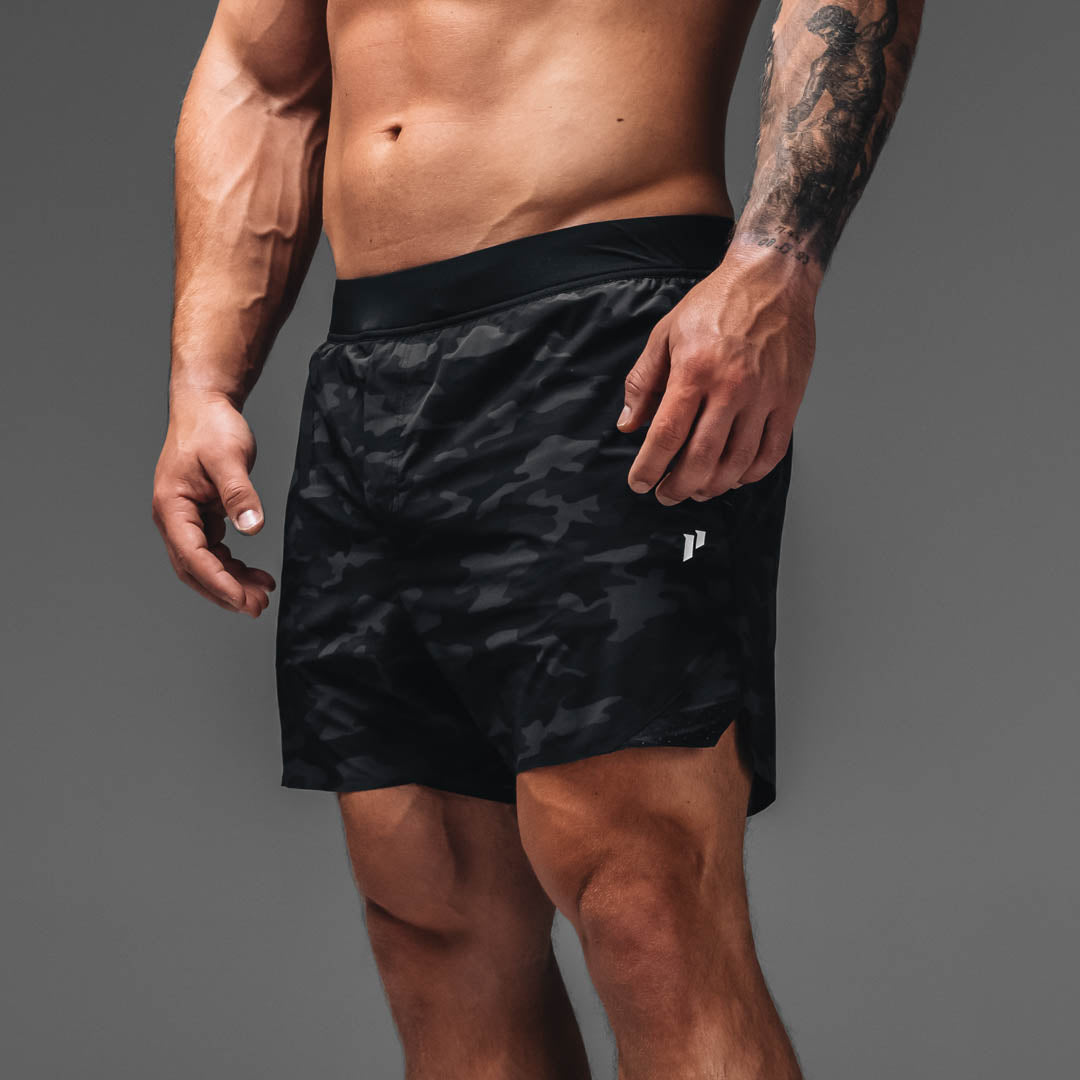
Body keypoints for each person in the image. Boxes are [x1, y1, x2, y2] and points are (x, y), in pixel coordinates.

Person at [152, 1, 923, 1076]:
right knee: (432, 918)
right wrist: (203, 381)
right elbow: (260, 77)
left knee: (645, 907)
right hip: (368, 375)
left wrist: (774, 265)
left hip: (604, 335)